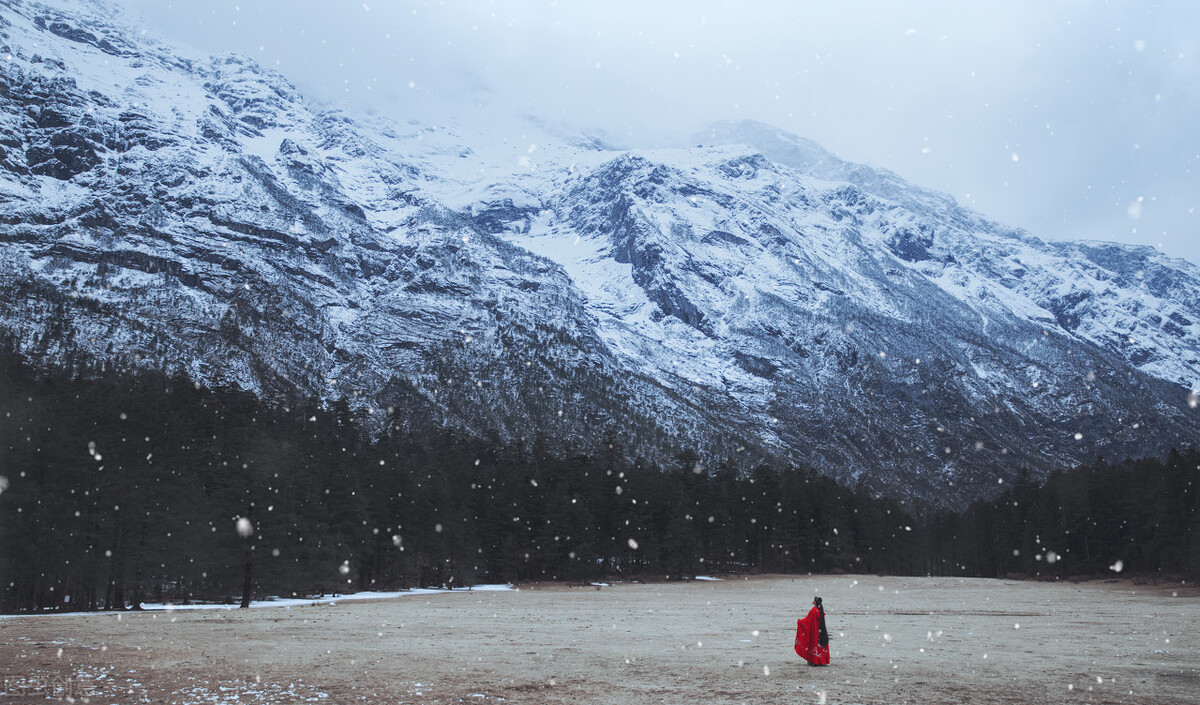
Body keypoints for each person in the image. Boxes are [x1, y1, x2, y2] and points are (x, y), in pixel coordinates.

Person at [794, 596, 830, 666]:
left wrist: (800, 622)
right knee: (820, 646)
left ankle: (814, 661)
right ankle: (821, 661)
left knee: (813, 644)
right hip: (821, 632)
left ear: (815, 602)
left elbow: (807, 621)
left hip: (814, 632)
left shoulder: (813, 611)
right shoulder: (821, 611)